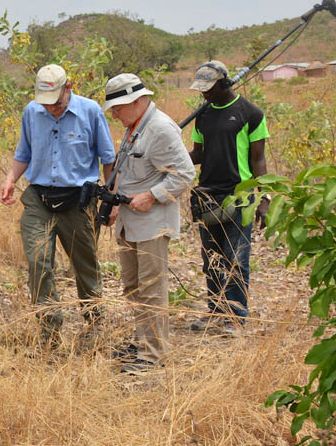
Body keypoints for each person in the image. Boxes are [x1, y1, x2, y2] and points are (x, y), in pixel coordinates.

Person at [0, 65, 116, 346]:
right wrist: (10, 178)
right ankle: (49, 333)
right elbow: (23, 153)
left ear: (69, 88)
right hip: (39, 199)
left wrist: (111, 201)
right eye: (46, 104)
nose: (52, 109)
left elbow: (108, 159)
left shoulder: (90, 111)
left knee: (85, 266)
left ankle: (94, 325)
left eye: (58, 103)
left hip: (78, 202)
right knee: (39, 263)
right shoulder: (31, 112)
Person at [102, 74, 195, 372]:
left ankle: (154, 355)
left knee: (152, 288)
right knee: (132, 286)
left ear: (137, 101)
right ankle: (143, 342)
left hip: (152, 223)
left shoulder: (161, 129)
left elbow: (184, 174)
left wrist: (153, 196)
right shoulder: (133, 128)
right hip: (130, 222)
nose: (114, 114)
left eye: (118, 107)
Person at [187, 60, 270, 335]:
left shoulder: (251, 114)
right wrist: (171, 156)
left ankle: (235, 318)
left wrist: (264, 198)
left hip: (240, 196)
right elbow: (198, 154)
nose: (204, 95)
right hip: (208, 196)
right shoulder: (203, 114)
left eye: (209, 89)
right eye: (201, 90)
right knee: (211, 258)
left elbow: (258, 160)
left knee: (236, 259)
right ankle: (215, 311)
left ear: (225, 84)